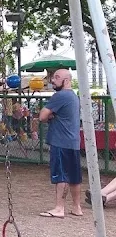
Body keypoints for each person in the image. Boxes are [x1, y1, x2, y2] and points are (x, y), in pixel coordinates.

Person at [39, 68, 82, 218]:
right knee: (74, 175)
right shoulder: (73, 96)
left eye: (57, 77)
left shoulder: (60, 95)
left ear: (66, 80)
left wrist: (50, 116)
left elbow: (42, 116)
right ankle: (77, 207)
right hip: (73, 141)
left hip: (61, 141)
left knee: (62, 175)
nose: (53, 80)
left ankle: (59, 208)